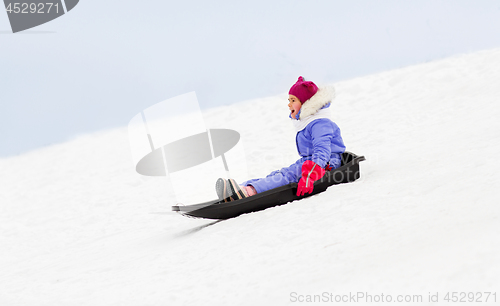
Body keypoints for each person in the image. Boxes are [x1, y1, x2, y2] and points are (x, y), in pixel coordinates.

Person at [216, 76, 346, 202]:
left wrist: (310, 176)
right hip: (311, 162)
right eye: (289, 100)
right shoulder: (310, 122)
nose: (289, 105)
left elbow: (322, 151)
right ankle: (241, 188)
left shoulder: (320, 124)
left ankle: (249, 192)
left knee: (286, 177)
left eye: (293, 100)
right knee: (278, 174)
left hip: (325, 164)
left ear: (306, 103)